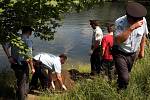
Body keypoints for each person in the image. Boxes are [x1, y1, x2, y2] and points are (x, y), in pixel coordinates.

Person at [113, 2, 149, 90]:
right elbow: (118, 40)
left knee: (126, 74)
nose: (138, 22)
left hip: (133, 54)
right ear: (128, 16)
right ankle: (120, 92)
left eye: (139, 20)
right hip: (120, 52)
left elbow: (143, 35)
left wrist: (142, 51)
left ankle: (118, 82)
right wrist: (131, 28)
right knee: (125, 78)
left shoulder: (142, 20)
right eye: (135, 20)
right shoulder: (119, 22)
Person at [2, 26, 35, 100]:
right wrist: (32, 68)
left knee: (20, 80)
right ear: (29, 32)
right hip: (22, 64)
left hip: (14, 63)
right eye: (31, 32)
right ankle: (22, 97)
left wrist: (9, 57)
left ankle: (21, 95)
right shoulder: (28, 41)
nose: (31, 33)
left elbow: (4, 45)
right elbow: (29, 56)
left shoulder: (15, 38)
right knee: (22, 83)